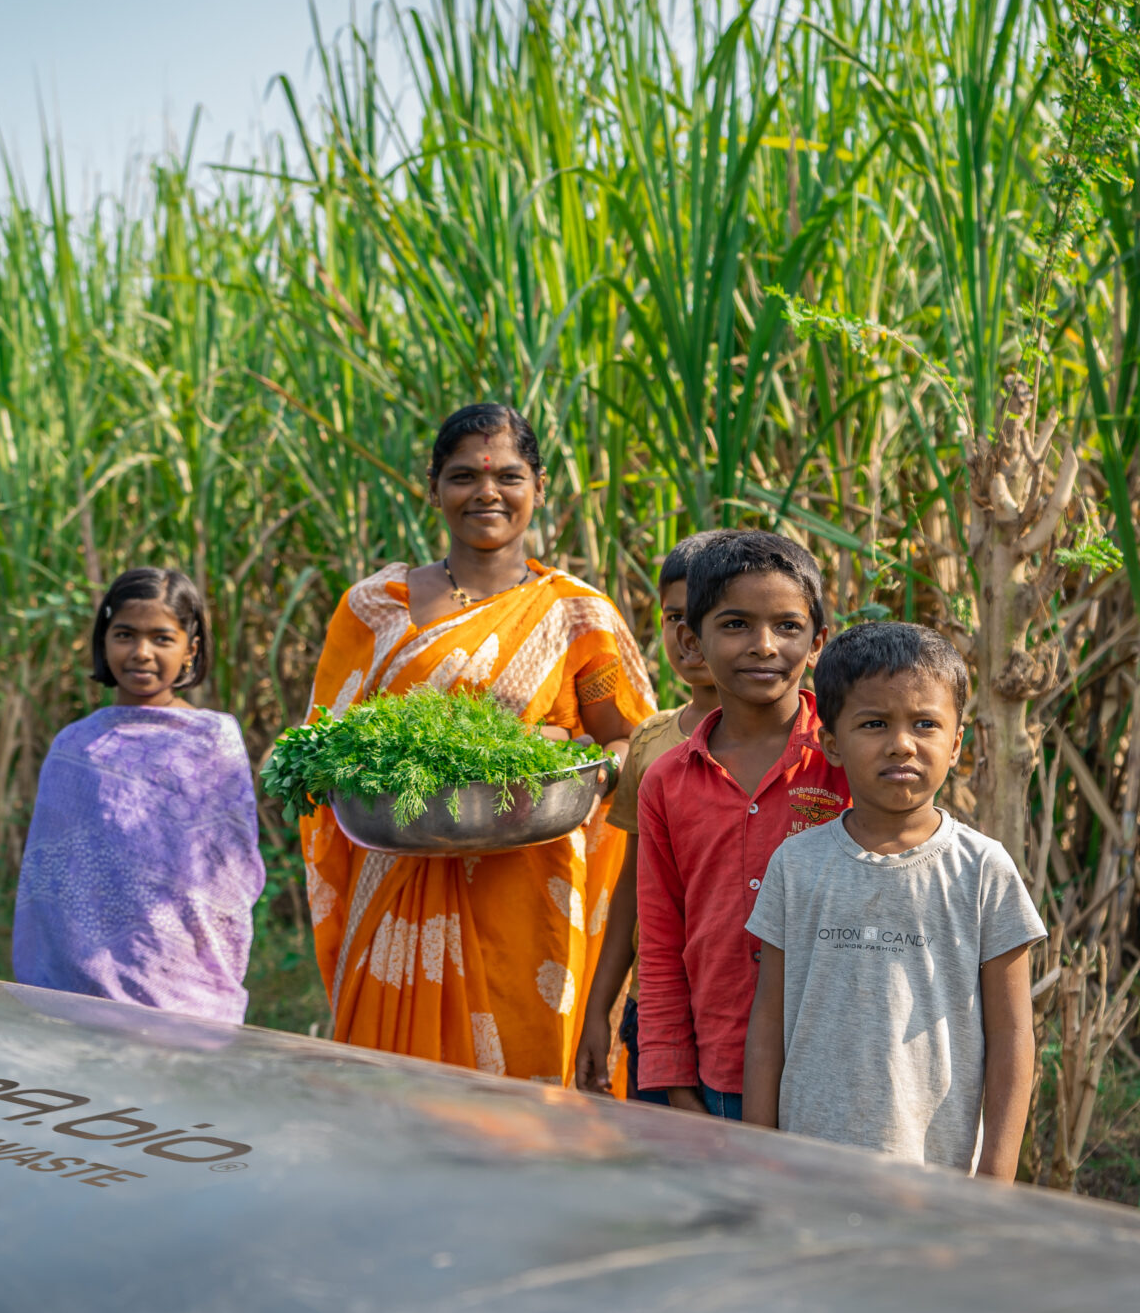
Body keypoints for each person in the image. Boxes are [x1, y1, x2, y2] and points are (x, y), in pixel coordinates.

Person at [300, 403, 655, 1081]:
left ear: (539, 488)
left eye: (508, 477)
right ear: (433, 488)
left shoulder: (580, 616)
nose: (486, 493)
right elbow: (328, 746)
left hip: (529, 890)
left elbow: (629, 742)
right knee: (392, 1094)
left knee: (525, 1098)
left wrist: (563, 765)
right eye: (463, 477)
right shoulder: (374, 608)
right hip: (398, 884)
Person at [741, 620, 1045, 1176]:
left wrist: (997, 1177)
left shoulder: (982, 870)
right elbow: (768, 1024)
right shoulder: (797, 864)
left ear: (956, 745)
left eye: (925, 724)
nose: (901, 743)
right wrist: (761, 1152)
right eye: (874, 723)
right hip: (807, 1168)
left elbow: (1012, 1035)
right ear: (831, 743)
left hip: (936, 1172)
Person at [633, 532, 844, 1118]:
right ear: (690, 640)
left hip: (839, 1060)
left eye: (787, 626)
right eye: (735, 625)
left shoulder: (848, 759)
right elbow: (661, 940)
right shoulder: (668, 782)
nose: (764, 646)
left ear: (818, 641)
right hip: (718, 1067)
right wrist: (674, 1077)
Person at [13, 567, 265, 1022]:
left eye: (162, 638)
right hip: (76, 985)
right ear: (103, 640)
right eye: (125, 634)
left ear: (191, 649)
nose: (141, 653)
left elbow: (230, 870)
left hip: (181, 978)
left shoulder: (211, 740)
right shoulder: (75, 746)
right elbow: (50, 878)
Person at [574, 529, 733, 1099]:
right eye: (673, 618)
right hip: (659, 1008)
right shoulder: (650, 742)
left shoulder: (810, 750)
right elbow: (632, 890)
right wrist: (601, 1009)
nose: (689, 636)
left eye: (716, 617)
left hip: (754, 1013)